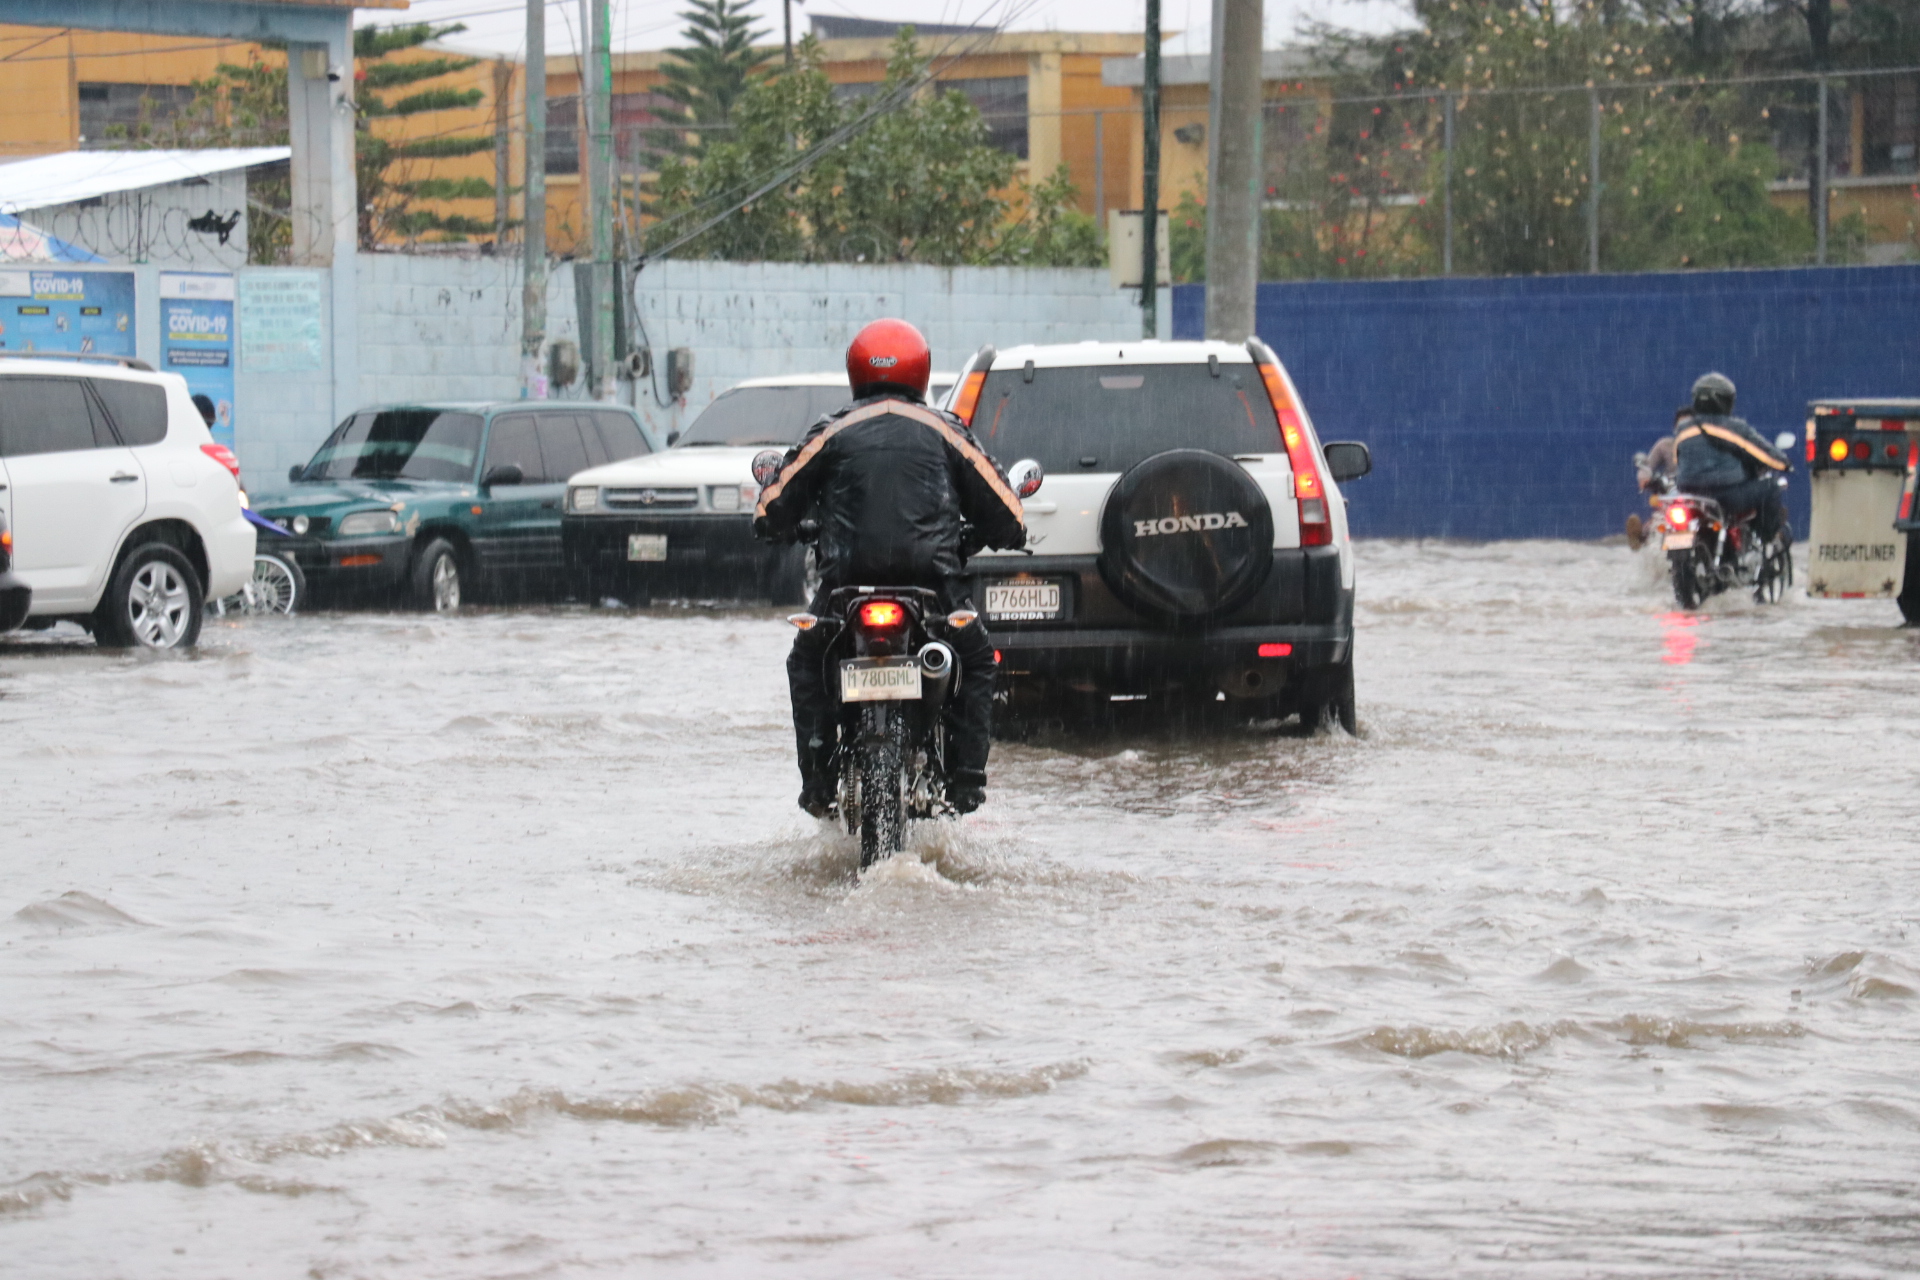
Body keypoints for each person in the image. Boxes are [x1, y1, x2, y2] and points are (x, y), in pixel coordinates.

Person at [753, 319, 1027, 818]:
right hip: (934, 591)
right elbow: (1006, 512)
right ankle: (967, 781)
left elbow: (773, 507)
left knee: (806, 661)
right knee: (979, 660)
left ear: (856, 369)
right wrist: (1003, 533)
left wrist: (779, 524)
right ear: (920, 372)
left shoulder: (832, 429)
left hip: (843, 592)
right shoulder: (946, 430)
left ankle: (816, 783)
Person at [1673, 372, 1789, 544]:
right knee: (1771, 487)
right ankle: (1763, 540)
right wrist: (1785, 464)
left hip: (1689, 494)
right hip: (1725, 495)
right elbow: (1766, 455)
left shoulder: (1683, 429)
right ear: (1725, 401)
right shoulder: (1734, 427)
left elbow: (1678, 459)